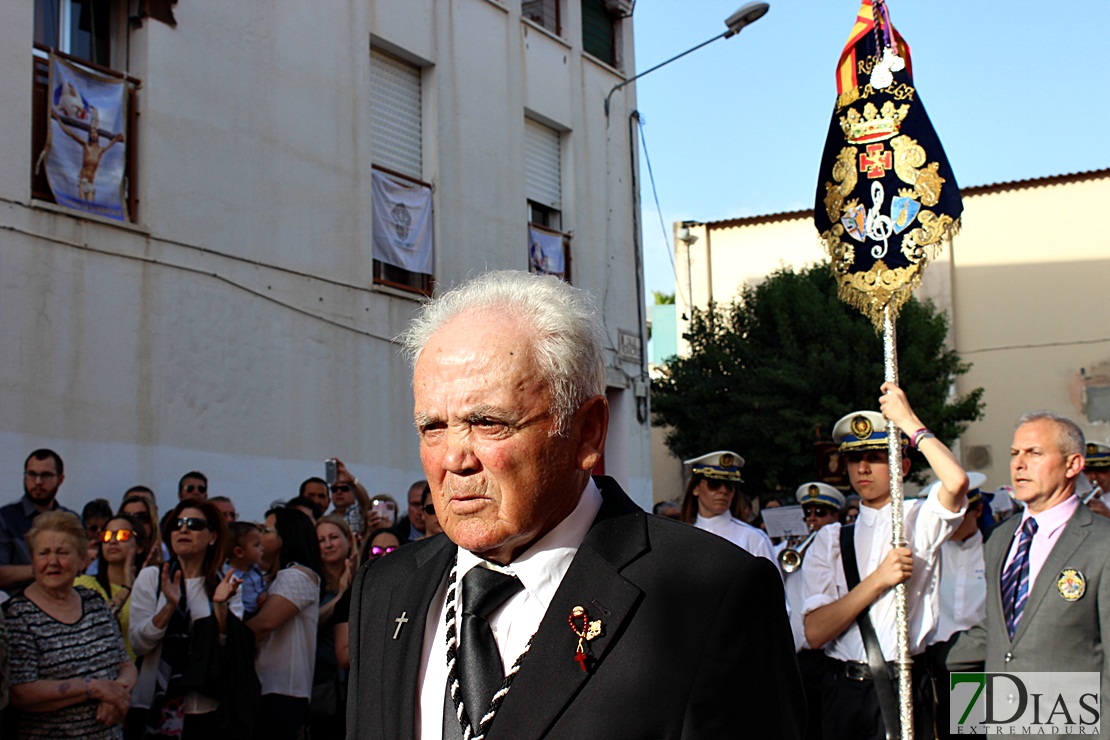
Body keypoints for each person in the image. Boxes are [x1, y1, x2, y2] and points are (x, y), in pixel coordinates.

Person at [348, 270, 803, 739]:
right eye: (433, 427)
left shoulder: (709, 594)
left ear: (587, 431)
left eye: (487, 422)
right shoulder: (386, 589)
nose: (453, 460)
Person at [803, 391, 968, 740]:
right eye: (854, 458)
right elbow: (816, 633)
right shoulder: (831, 537)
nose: (862, 468)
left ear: (901, 465)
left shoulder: (919, 518)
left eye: (876, 457)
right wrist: (879, 579)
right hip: (843, 690)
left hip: (904, 684)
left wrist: (908, 422)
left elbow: (956, 481)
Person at [948, 412, 1110, 731]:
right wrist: (914, 660)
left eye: (1034, 453)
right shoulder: (1000, 538)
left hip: (1071, 728)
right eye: (1014, 454)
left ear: (1073, 465)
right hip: (1005, 722)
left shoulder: (1101, 542)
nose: (1019, 464)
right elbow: (1000, 633)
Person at [4, 510, 136, 738]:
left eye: (62, 552)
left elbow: (126, 665)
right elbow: (21, 693)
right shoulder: (18, 614)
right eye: (43, 553)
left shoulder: (94, 601)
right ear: (33, 560)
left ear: (82, 560)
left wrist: (115, 694)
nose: (52, 562)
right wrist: (93, 688)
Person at [129, 500, 242, 737]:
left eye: (194, 524)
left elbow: (230, 650)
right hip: (153, 704)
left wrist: (220, 606)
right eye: (178, 524)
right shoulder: (152, 577)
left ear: (212, 537)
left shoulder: (226, 583)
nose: (183, 529)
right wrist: (169, 607)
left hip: (207, 707)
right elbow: (139, 644)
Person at [237, 506, 323, 740]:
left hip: (283, 691)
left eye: (266, 530)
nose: (260, 536)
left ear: (286, 536)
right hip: (263, 688)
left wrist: (226, 640)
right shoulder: (270, 578)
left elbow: (265, 624)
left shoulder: (297, 575)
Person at [926, 472, 987, 739]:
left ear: (978, 510)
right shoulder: (931, 552)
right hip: (933, 664)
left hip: (976, 665)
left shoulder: (994, 549)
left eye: (960, 514)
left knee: (972, 734)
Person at [678, 450, 776, 562]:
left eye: (730, 485)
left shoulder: (753, 539)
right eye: (714, 484)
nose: (723, 491)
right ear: (695, 488)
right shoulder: (683, 538)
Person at [0, 449, 76, 591]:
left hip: (65, 601)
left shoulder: (72, 521)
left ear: (60, 479)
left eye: (45, 475)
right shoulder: (5, 518)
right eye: (32, 474)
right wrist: (45, 568)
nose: (38, 482)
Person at [76, 512, 147, 661]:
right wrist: (126, 588)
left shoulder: (147, 589)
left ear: (139, 547)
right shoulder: (84, 585)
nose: (113, 541)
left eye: (122, 535)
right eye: (107, 536)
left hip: (138, 676)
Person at [312, 515, 357, 739]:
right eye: (321, 540)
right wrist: (341, 595)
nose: (328, 545)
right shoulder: (313, 581)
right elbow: (311, 623)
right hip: (322, 679)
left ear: (348, 540)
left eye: (333, 537)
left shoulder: (363, 575)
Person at [50, 107, 125, 201]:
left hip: (91, 182)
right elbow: (71, 134)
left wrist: (115, 139)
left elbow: (109, 145)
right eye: (92, 133)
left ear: (97, 136)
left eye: (95, 133)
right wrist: (58, 120)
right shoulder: (86, 146)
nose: (93, 134)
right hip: (83, 180)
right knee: (82, 204)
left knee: (91, 205)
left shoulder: (100, 150)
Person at [225, 521, 266, 620]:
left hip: (259, 612)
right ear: (239, 552)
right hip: (242, 616)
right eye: (256, 545)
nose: (262, 548)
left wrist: (265, 593)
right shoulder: (227, 576)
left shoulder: (255, 568)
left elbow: (262, 584)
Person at [328, 459, 372, 540]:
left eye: (344, 488)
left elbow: (366, 503)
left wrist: (351, 481)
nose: (339, 492)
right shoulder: (327, 518)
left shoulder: (358, 512)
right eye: (334, 489)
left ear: (354, 493)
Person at [120, 494, 164, 569]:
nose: (134, 522)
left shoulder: (168, 569)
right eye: (126, 517)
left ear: (152, 523)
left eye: (141, 517)